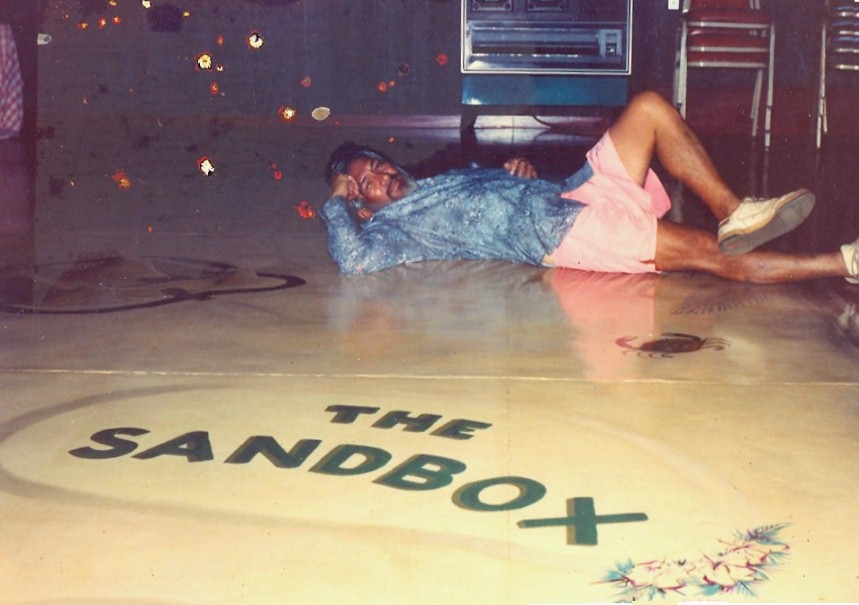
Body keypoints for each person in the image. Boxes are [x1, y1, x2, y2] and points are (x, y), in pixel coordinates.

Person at [320, 91, 858, 284]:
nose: (381, 176)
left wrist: (516, 174)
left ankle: (734, 209)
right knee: (708, 252)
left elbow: (490, 203)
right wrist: (338, 200)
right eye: (366, 184)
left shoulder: (443, 180)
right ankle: (844, 263)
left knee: (649, 107)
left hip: (570, 191)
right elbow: (354, 261)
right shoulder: (397, 229)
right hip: (565, 233)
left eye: (377, 165)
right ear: (362, 206)